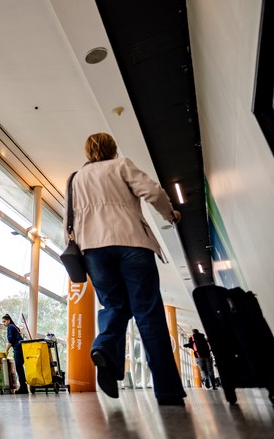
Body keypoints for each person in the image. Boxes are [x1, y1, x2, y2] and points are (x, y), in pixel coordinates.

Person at [65, 132, 187, 406]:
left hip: (94, 250)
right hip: (132, 244)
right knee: (148, 314)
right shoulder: (120, 165)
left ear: (87, 152)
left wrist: (78, 254)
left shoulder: (75, 178)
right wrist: (170, 215)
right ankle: (167, 390)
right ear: (113, 149)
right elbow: (153, 192)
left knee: (114, 306)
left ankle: (104, 345)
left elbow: (68, 219)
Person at [2, 314, 28, 394]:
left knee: (19, 367)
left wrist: (6, 351)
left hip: (18, 348)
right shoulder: (14, 327)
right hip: (20, 348)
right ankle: (24, 387)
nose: (4, 323)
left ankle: (23, 388)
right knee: (20, 367)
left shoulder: (10, 327)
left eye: (4, 321)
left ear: (9, 320)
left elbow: (10, 341)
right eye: (3, 322)